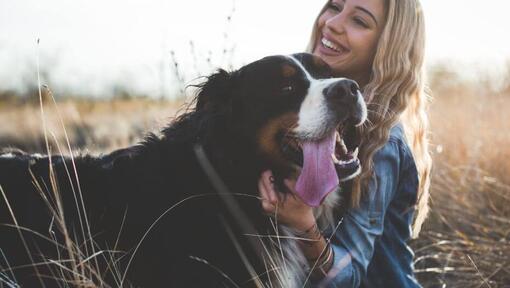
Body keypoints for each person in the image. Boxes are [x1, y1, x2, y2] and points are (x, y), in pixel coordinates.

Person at [258, 0, 432, 287]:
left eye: (359, 21)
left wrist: (303, 225)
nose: (333, 23)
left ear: (386, 46)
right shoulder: (310, 107)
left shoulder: (384, 141)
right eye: (335, 6)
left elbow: (349, 278)